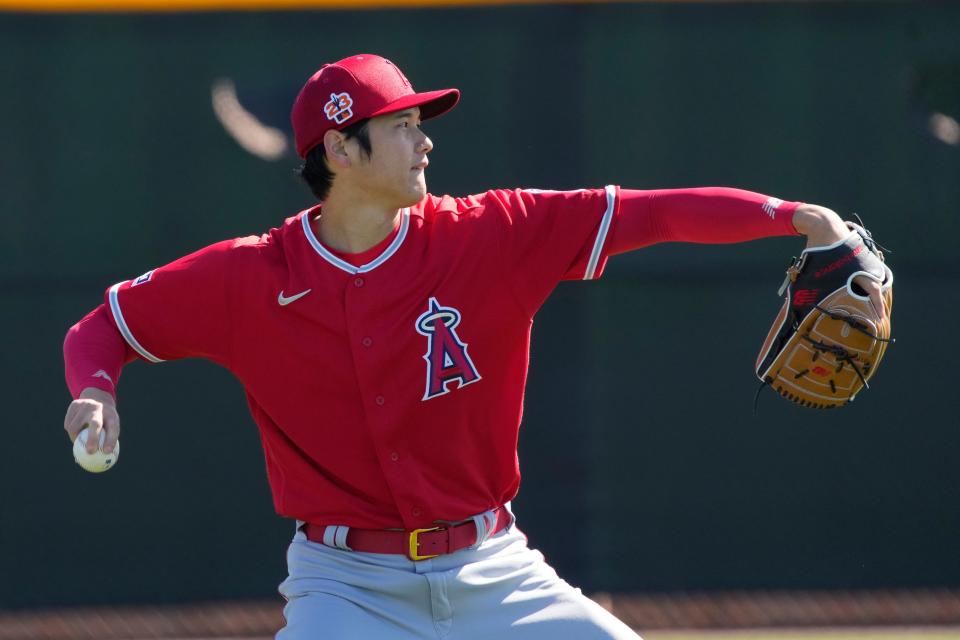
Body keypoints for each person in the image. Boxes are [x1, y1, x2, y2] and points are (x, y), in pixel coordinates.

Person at [62, 54, 887, 639]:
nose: (425, 142)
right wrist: (95, 388)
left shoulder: (491, 235)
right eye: (402, 126)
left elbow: (655, 212)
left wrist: (795, 217)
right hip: (347, 590)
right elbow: (101, 328)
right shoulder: (251, 276)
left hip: (496, 571)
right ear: (341, 152)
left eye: (422, 123)